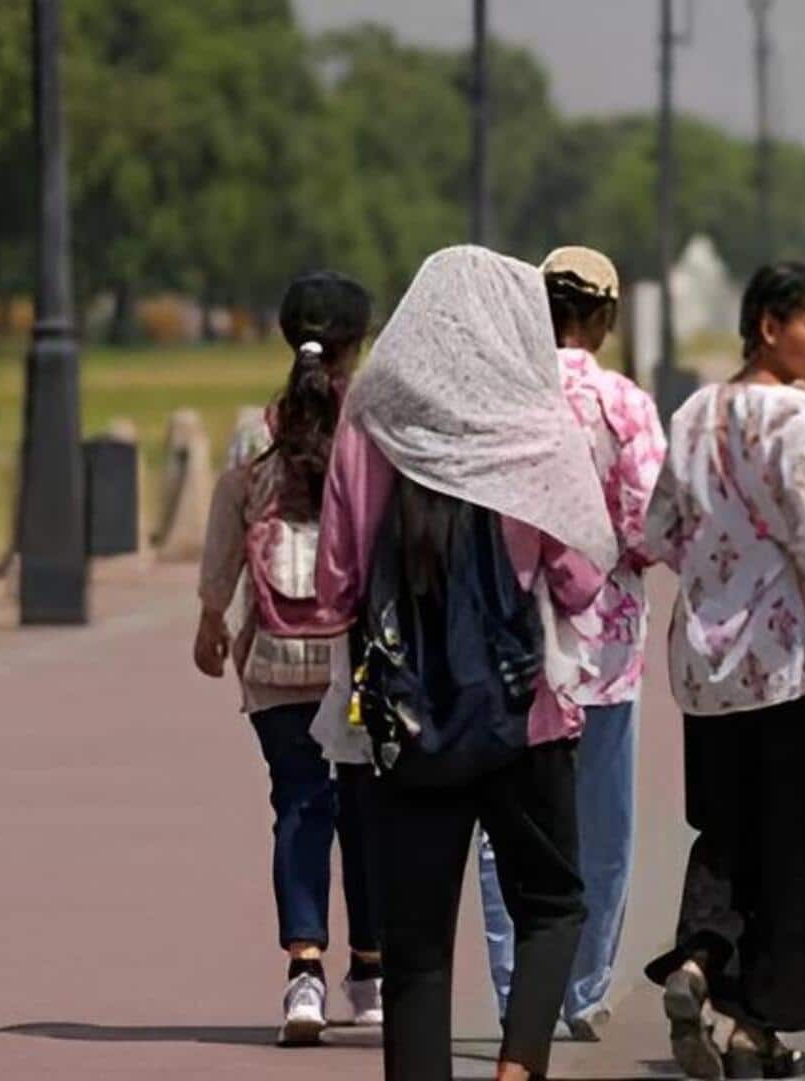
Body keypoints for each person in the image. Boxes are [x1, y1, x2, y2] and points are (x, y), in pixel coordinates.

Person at [316, 245, 616, 1081]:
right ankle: (518, 1066)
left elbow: (336, 585)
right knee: (553, 905)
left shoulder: (370, 425)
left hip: (406, 725)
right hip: (525, 718)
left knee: (414, 950)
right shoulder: (536, 425)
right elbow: (583, 581)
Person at [640, 261, 805, 1080]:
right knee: (785, 842)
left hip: (703, 660)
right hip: (782, 661)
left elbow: (659, 528)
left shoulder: (695, 409)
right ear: (769, 326)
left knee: (723, 828)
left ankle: (698, 961)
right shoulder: (798, 416)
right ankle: (758, 1022)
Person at [474, 247, 666, 1043]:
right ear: (607, 319)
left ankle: (519, 981)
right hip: (605, 643)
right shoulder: (624, 403)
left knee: (504, 829)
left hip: (501, 635)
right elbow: (650, 521)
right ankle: (584, 987)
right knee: (602, 821)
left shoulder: (495, 396)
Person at [193, 271, 383, 1046]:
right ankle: (369, 971)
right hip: (355, 659)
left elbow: (225, 531)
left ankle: (304, 969)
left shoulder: (253, 432)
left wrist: (211, 616)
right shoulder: (370, 427)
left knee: (300, 804)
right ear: (358, 345)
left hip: (274, 657)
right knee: (368, 810)